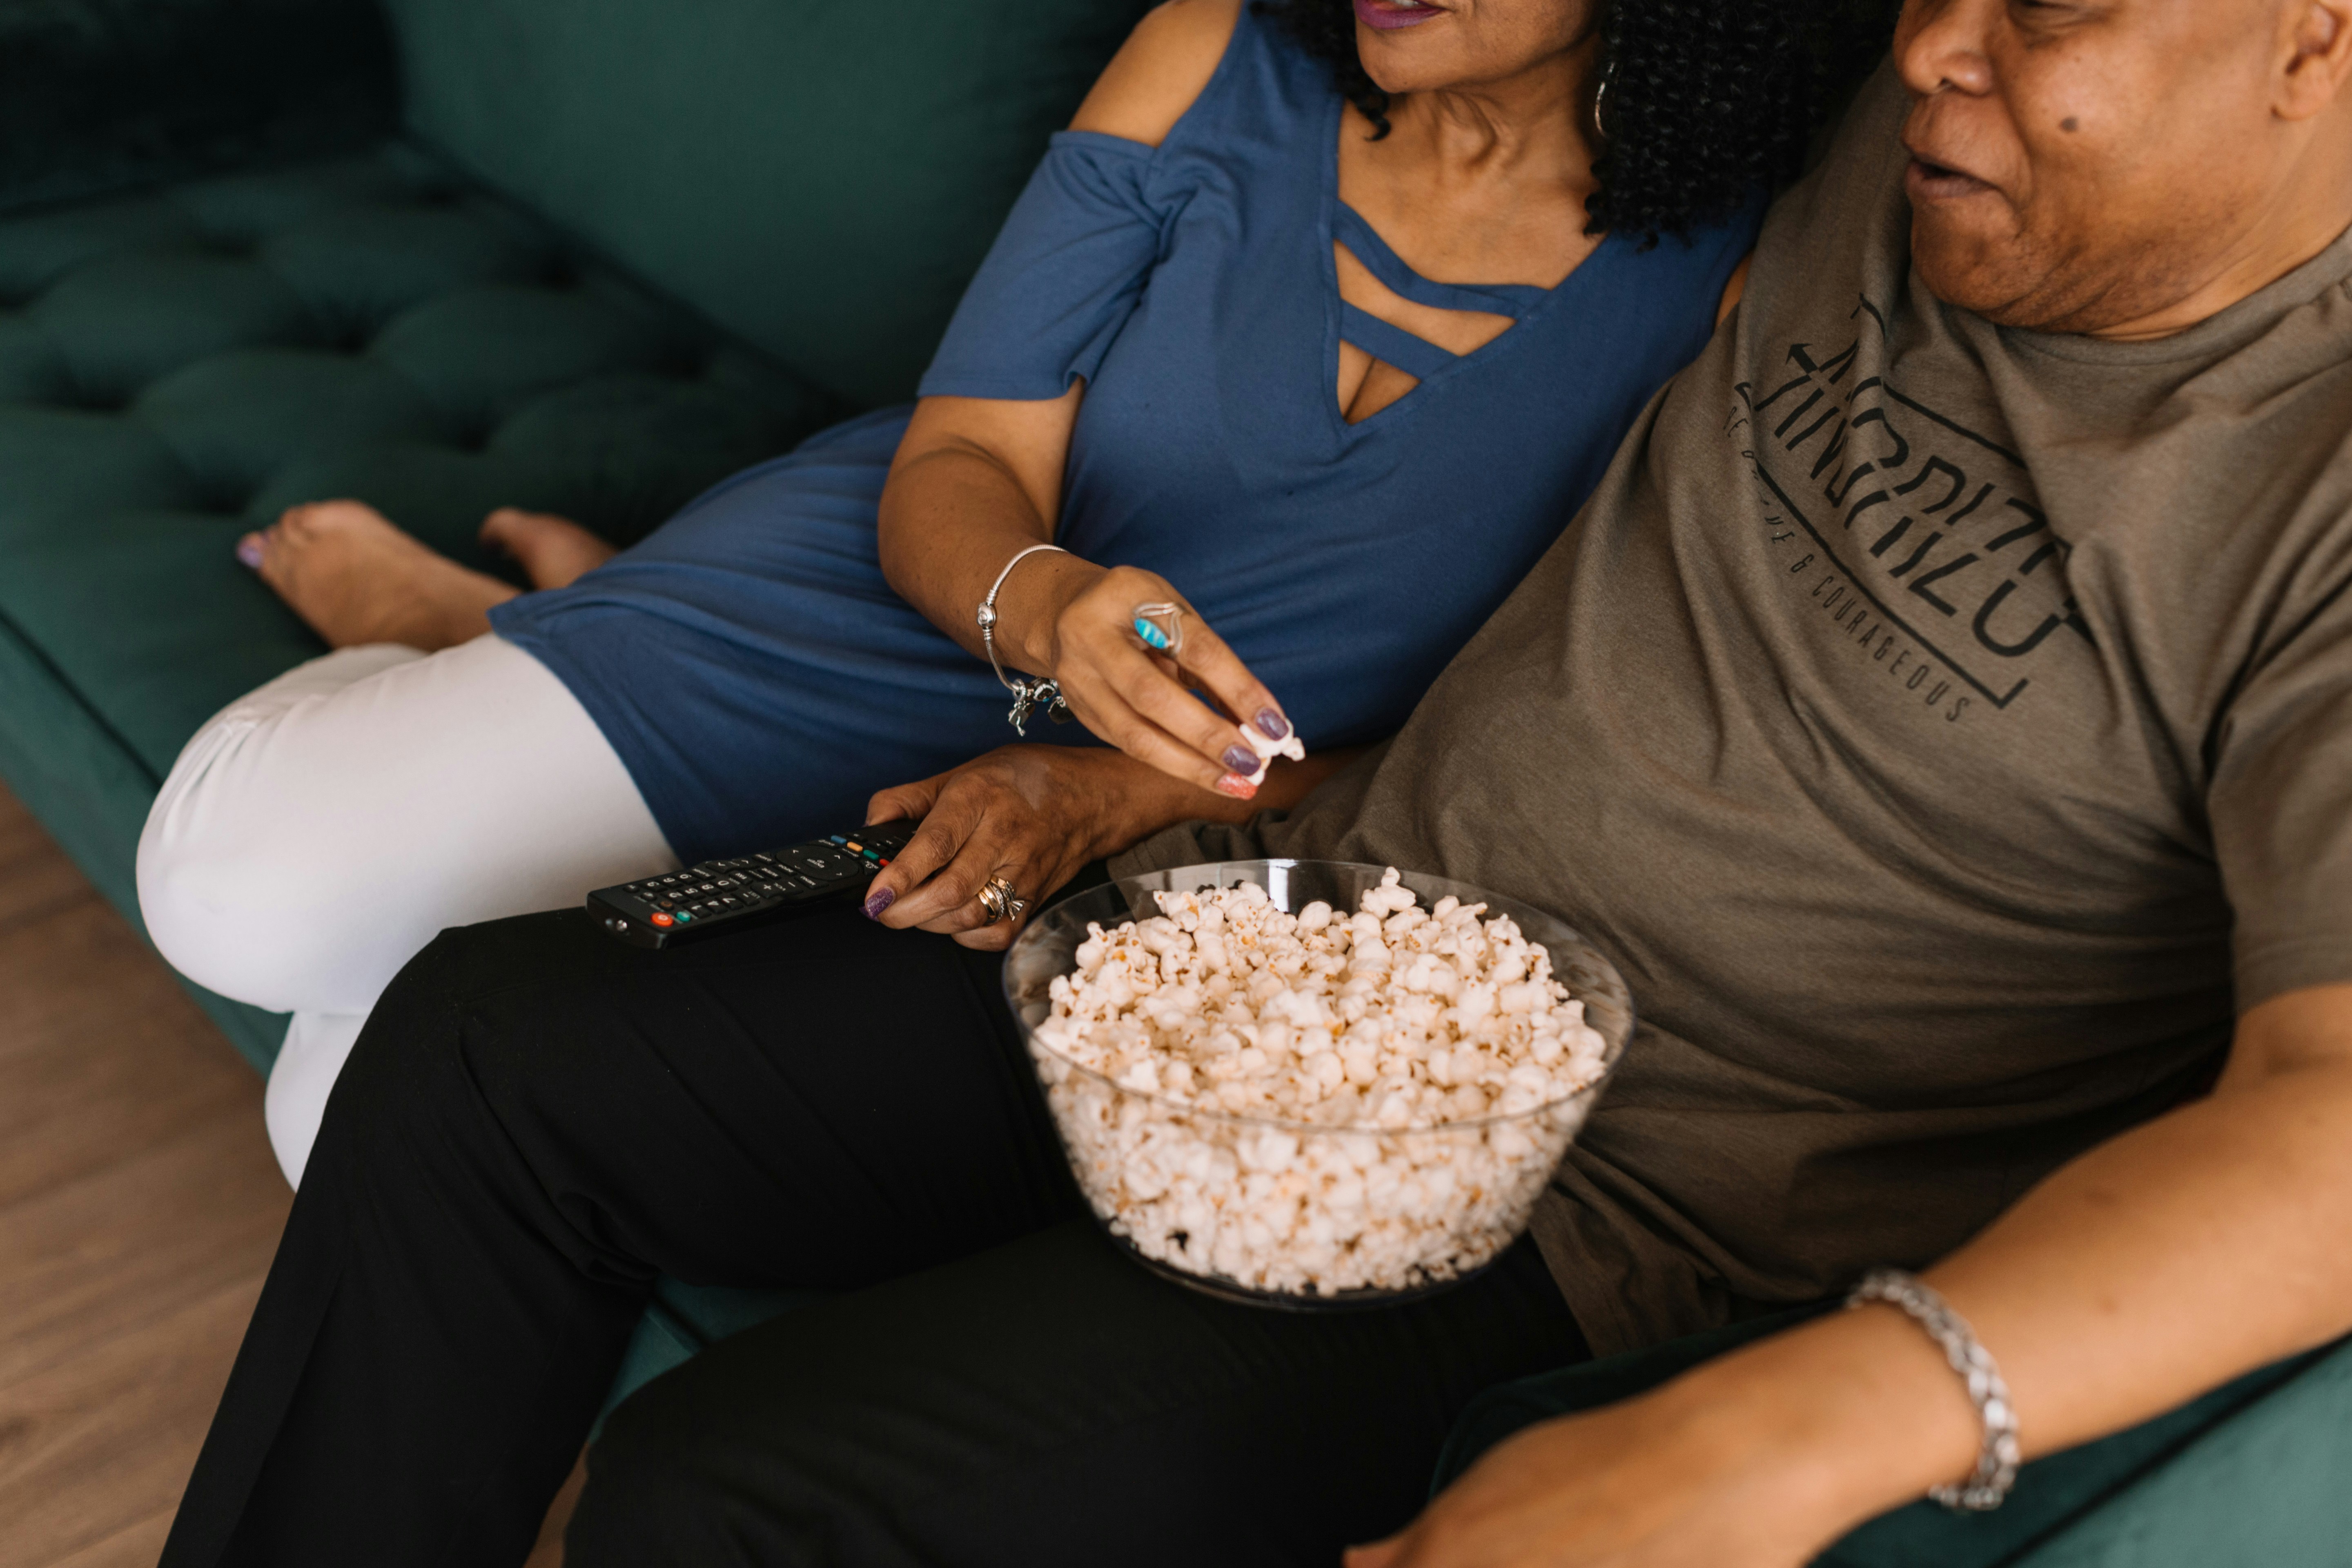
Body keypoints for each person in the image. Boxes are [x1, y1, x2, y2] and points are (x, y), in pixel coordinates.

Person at [161, 0, 2352, 1564]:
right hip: (1277, 909)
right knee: (478, 1049)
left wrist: (1788, 1438)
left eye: (2044, 6)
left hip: (1583, 1203)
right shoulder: (1887, 127)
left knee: (728, 1496)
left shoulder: (2312, 495)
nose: (1934, 42)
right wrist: (1141, 797)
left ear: (2316, 39)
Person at [132, 0, 1862, 1188]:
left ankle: (520, 650)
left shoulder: (1742, 275)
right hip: (869, 604)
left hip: (1110, 815)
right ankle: (453, 638)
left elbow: (1533, 717)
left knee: (358, 1112)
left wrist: (1120, 784)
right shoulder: (1222, 54)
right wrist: (1043, 611)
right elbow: (964, 452)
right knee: (236, 899)